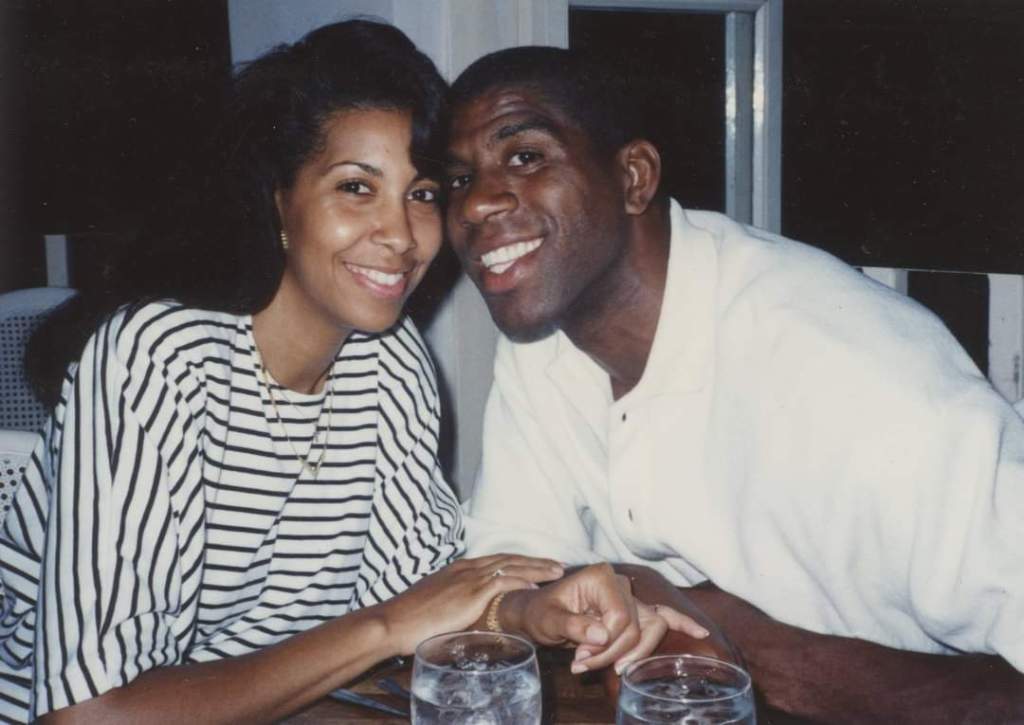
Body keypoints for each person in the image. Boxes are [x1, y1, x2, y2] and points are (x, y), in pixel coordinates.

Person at [0, 24, 708, 724]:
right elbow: (87, 714)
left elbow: (428, 602)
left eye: (421, 194)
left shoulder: (389, 361)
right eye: (356, 187)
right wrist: (384, 627)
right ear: (278, 198)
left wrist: (531, 610)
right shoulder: (159, 358)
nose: (400, 236)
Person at [445, 46, 1024, 722]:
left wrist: (741, 646)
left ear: (633, 178)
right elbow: (504, 573)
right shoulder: (542, 342)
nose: (476, 203)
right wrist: (639, 588)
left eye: (525, 156)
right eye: (458, 179)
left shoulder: (859, 381)